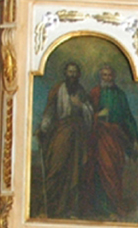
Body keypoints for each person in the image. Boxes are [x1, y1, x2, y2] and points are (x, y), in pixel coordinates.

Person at [35, 61, 94, 219]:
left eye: (75, 72)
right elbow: (50, 112)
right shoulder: (57, 89)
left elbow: (89, 113)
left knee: (74, 172)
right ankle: (51, 207)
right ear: (65, 73)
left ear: (78, 74)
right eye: (70, 72)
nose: (72, 75)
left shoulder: (81, 92)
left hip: (77, 137)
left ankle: (70, 210)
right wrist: (43, 128)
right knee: (56, 167)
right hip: (61, 132)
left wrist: (80, 106)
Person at [88, 63, 138, 219]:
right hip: (100, 136)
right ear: (100, 77)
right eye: (104, 75)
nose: (107, 78)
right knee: (104, 169)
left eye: (109, 75)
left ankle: (114, 205)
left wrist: (135, 138)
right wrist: (97, 116)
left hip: (116, 138)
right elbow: (86, 115)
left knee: (116, 170)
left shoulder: (120, 95)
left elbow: (128, 117)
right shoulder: (95, 93)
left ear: (114, 77)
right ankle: (102, 207)